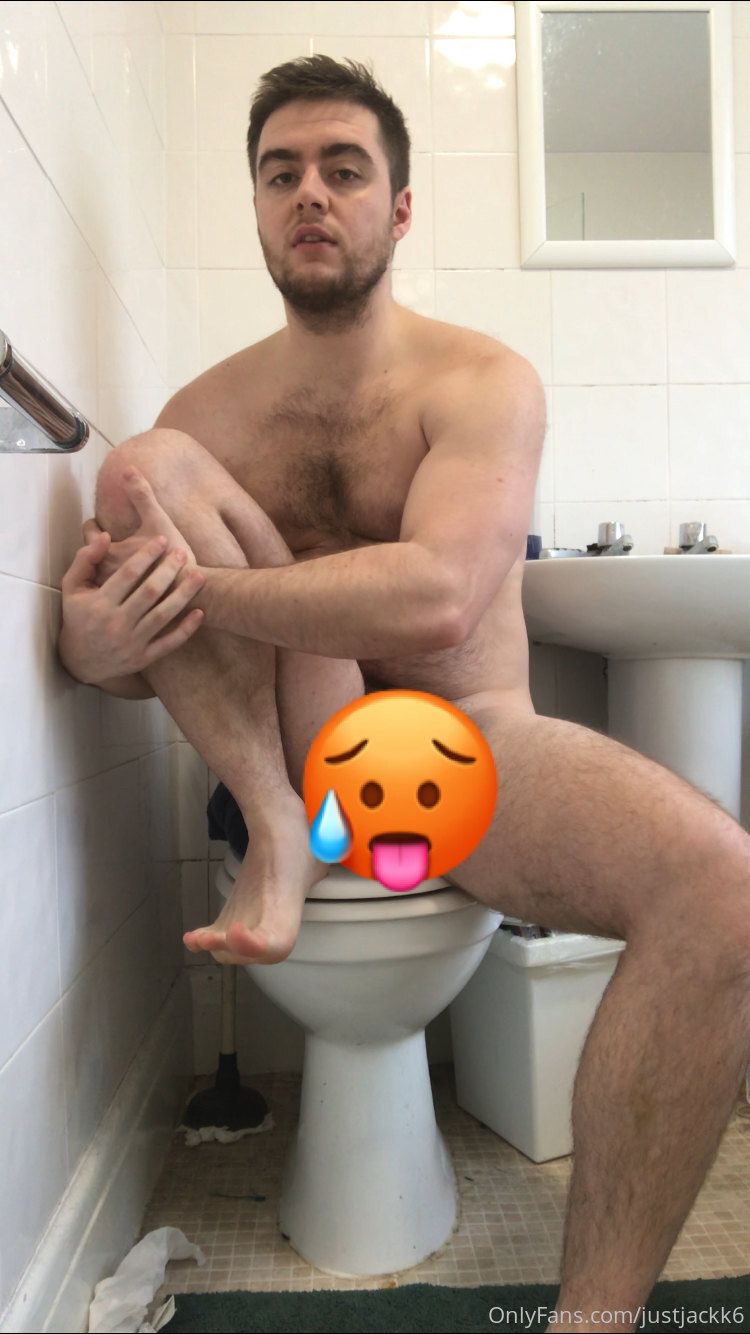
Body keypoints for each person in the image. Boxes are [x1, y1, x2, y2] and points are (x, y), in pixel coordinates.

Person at [57, 56, 750, 1333]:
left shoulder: (480, 381)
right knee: (142, 467)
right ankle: (282, 831)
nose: (310, 194)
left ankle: (595, 1316)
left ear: (403, 205)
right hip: (286, 766)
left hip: (468, 747)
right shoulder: (205, 414)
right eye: (281, 173)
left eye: (344, 169)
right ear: (256, 207)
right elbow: (139, 654)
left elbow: (435, 598)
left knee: (722, 886)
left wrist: (195, 593)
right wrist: (94, 641)